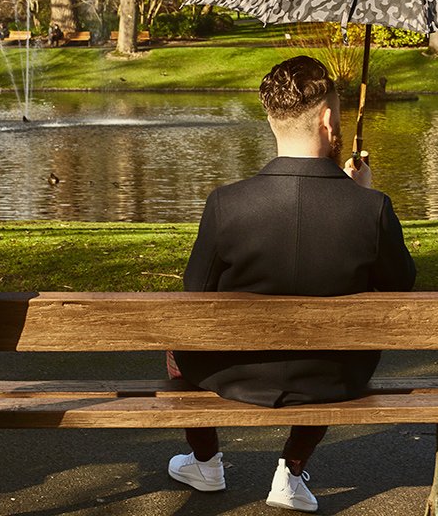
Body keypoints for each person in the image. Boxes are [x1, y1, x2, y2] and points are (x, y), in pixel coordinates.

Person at [168, 56, 416, 512]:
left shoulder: (227, 204)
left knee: (176, 345)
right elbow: (401, 284)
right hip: (334, 375)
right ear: (327, 120)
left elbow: (193, 298)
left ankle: (205, 463)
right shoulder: (371, 208)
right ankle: (292, 471)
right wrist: (361, 195)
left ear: (271, 120)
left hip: (232, 373)